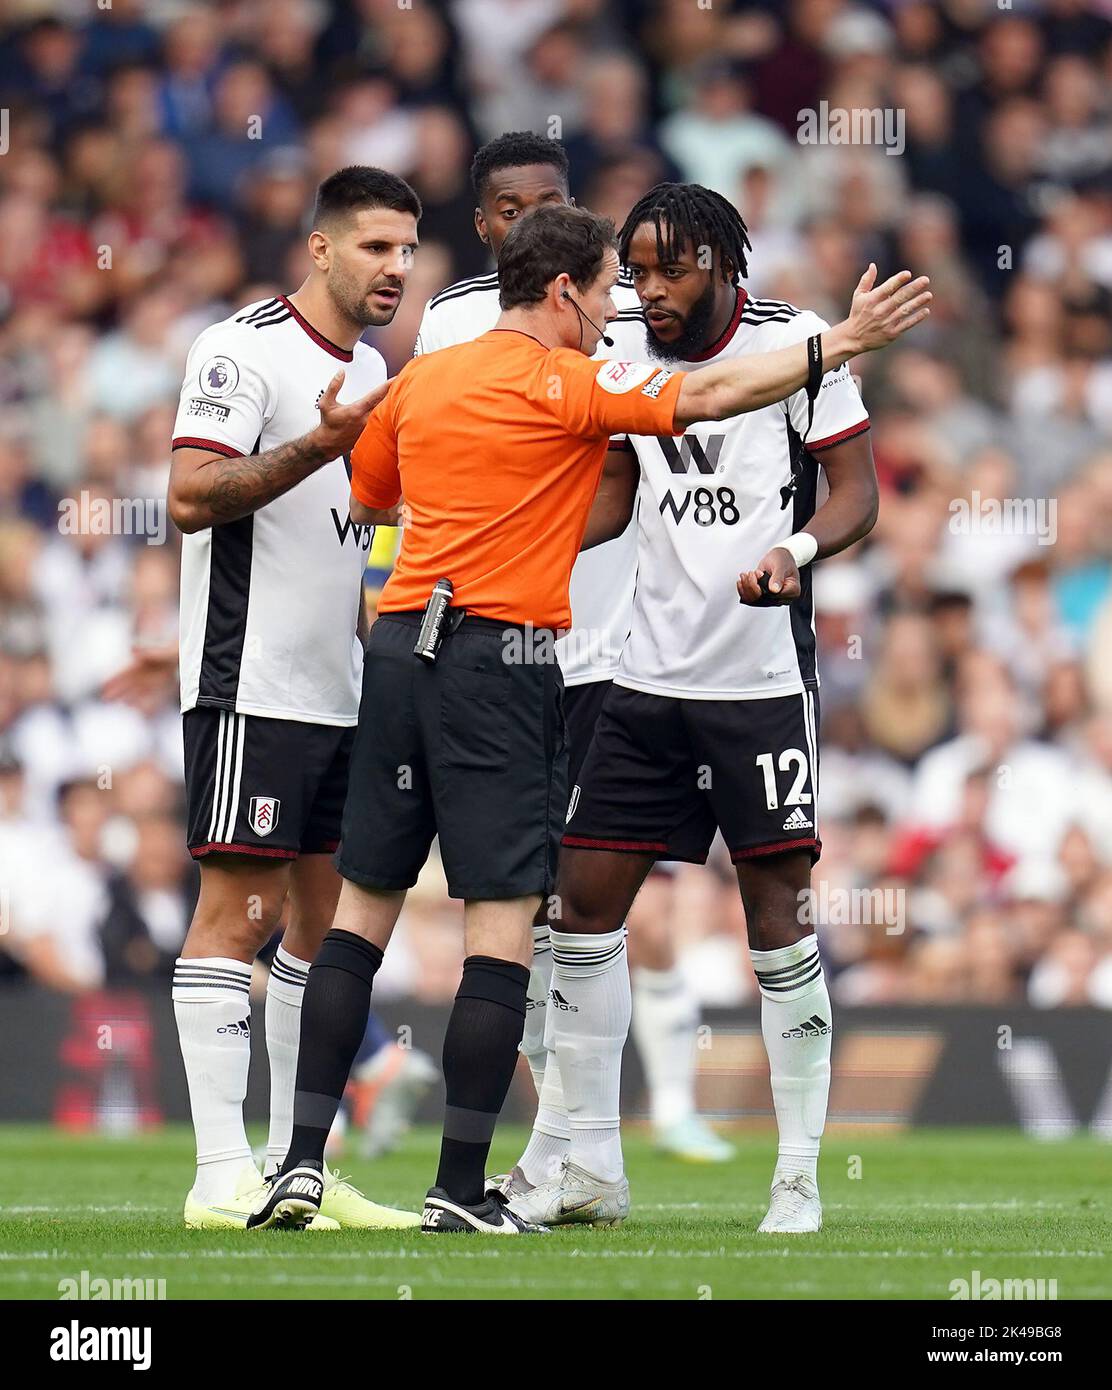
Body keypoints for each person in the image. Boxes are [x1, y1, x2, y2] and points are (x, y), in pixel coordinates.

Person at [249, 200, 930, 1235]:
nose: (628, 301)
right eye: (616, 282)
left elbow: (376, 491)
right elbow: (694, 401)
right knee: (507, 925)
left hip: (402, 649)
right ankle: (470, 1184)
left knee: (361, 913)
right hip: (522, 660)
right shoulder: (580, 376)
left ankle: (298, 1163)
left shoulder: (421, 376)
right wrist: (834, 341)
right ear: (566, 291)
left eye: (651, 278)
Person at [508, 183, 889, 1235]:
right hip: (644, 681)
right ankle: (585, 1159)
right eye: (634, 269)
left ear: (725, 262)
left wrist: (796, 551)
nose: (648, 288)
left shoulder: (798, 344)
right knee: (579, 908)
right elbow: (627, 486)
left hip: (760, 687)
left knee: (778, 923)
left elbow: (855, 493)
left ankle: (799, 1174)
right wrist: (527, 548)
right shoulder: (627, 340)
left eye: (671, 267)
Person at [416, 129, 732, 1181]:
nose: (527, 218)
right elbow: (420, 473)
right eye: (510, 206)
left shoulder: (615, 312)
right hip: (491, 642)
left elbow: (642, 465)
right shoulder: (455, 324)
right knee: (518, 902)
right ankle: (564, 1139)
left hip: (604, 648)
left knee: (582, 904)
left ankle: (599, 1136)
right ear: (482, 222)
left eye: (548, 199)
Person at [165, 166, 421, 1231]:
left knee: (321, 930)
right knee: (236, 916)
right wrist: (317, 443)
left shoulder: (371, 367)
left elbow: (361, 540)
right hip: (248, 682)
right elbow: (187, 496)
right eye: (373, 248)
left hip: (339, 689)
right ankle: (216, 1175)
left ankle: (292, 1169)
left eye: (406, 251)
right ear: (319, 248)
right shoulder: (240, 348)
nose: (394, 270)